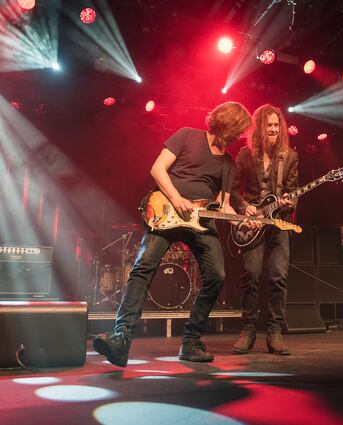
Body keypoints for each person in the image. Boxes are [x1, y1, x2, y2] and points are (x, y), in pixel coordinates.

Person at [93, 101, 252, 367]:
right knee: (143, 267)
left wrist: (240, 221)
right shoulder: (187, 135)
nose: (240, 136)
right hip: (168, 210)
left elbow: (223, 204)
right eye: (238, 129)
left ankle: (190, 342)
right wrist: (177, 198)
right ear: (225, 122)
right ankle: (121, 339)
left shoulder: (229, 164)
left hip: (201, 220)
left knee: (217, 276)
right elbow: (158, 169)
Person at [230, 104, 299, 355]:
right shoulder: (245, 155)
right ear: (259, 128)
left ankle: (274, 332)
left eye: (276, 125)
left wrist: (290, 202)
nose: (272, 129)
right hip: (253, 225)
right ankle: (247, 330)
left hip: (279, 223)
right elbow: (235, 191)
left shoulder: (289, 156)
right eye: (268, 125)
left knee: (278, 277)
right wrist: (245, 207)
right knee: (250, 273)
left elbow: (293, 190)